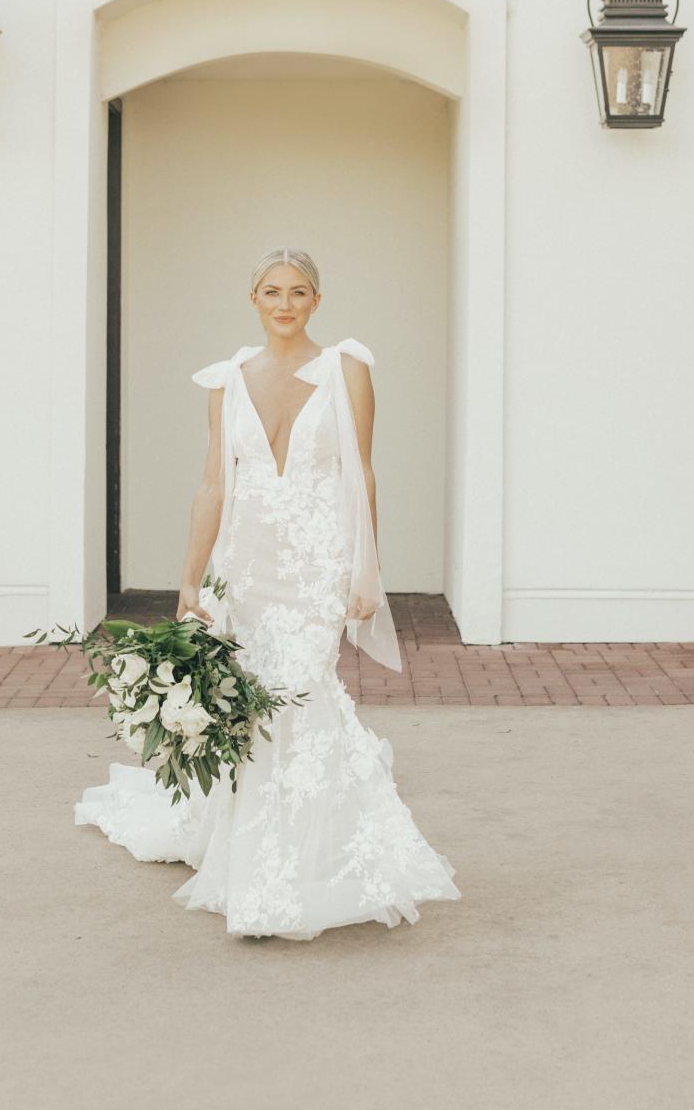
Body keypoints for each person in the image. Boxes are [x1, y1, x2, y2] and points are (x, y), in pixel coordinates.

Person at [74, 247, 461, 939]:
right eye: (272, 291)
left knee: (304, 691)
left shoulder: (348, 368)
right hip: (246, 565)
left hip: (315, 563)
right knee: (250, 701)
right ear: (253, 298)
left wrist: (366, 570)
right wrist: (190, 579)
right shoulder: (227, 379)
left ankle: (310, 860)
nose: (285, 304)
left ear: (318, 300)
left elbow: (361, 475)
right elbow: (213, 484)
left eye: (300, 292)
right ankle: (249, 848)